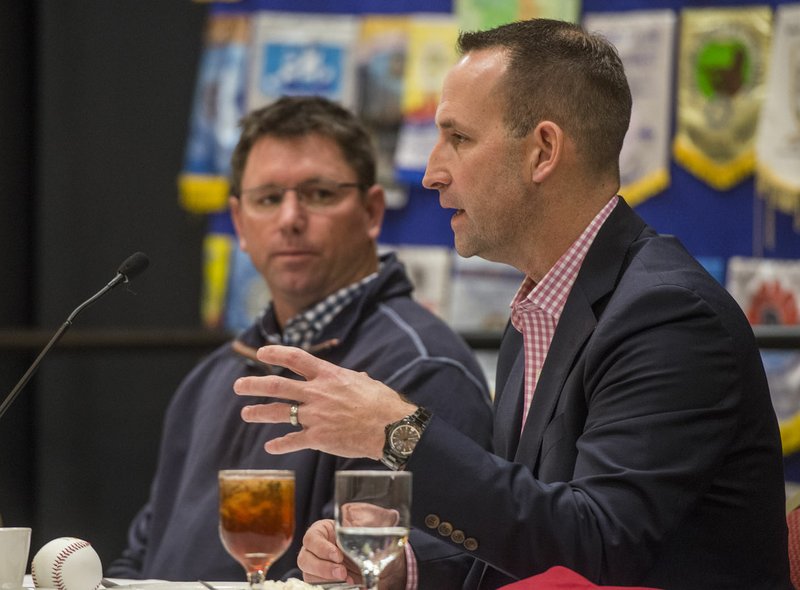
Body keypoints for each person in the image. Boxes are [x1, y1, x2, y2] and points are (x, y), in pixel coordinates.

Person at [233, 19, 792, 590]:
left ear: (543, 151)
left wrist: (395, 431)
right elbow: (527, 538)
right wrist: (402, 567)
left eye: (458, 138)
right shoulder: (542, 311)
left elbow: (599, 545)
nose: (432, 173)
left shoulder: (668, 314)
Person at [107, 96, 493, 583]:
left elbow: (361, 572)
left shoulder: (421, 367)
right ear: (240, 223)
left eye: (319, 194)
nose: (290, 218)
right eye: (268, 198)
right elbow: (144, 556)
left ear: (372, 211)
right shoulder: (211, 376)